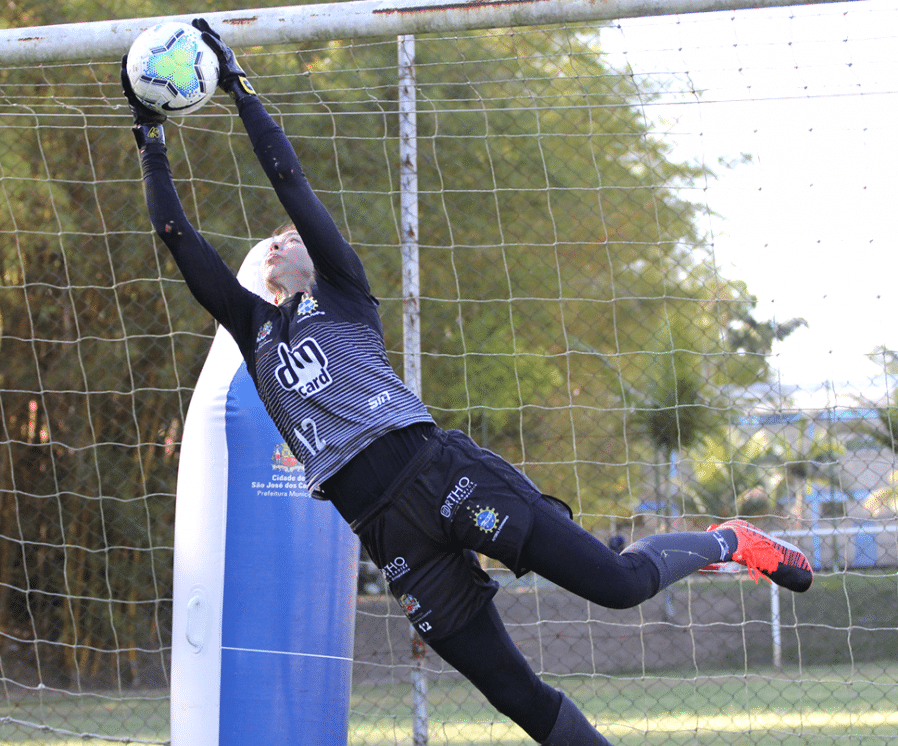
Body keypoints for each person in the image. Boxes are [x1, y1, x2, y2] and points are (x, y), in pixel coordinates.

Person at [122, 20, 814, 745]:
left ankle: (730, 541)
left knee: (618, 585)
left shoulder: (346, 293)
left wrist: (238, 86)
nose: (280, 241)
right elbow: (178, 237)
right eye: (273, 241)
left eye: (289, 237)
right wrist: (150, 139)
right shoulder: (252, 331)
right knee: (513, 696)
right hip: (387, 533)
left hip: (444, 475)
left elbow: (289, 180)